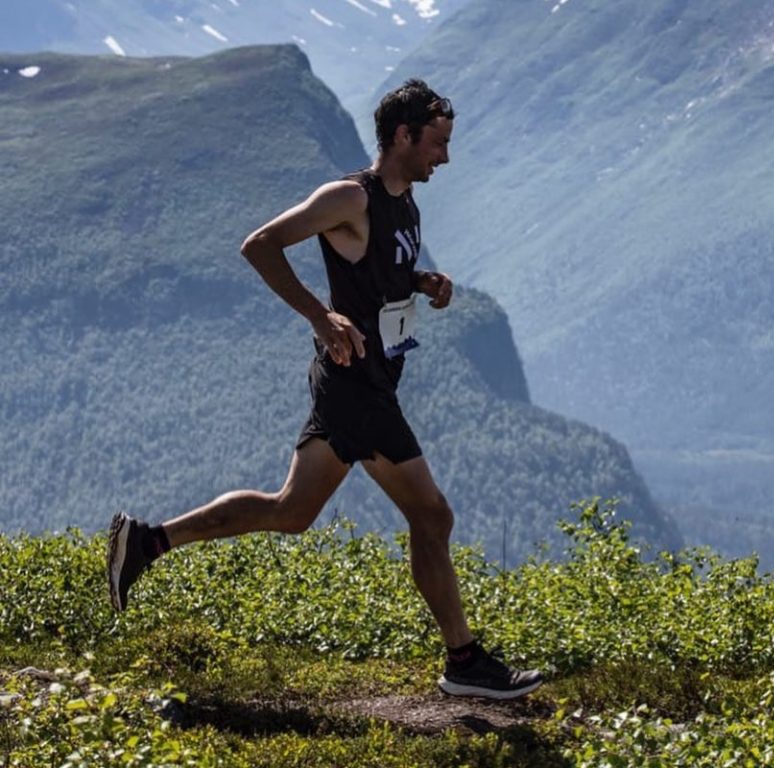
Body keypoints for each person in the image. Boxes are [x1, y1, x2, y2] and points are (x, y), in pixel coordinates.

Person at [106, 78, 543, 700]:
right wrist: (318, 313)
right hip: (356, 386)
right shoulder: (349, 198)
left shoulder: (405, 204)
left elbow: (378, 269)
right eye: (437, 144)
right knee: (432, 513)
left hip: (361, 381)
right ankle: (465, 661)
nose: (444, 157)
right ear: (403, 136)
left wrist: (421, 282)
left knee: (291, 511)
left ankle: (148, 540)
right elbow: (259, 245)